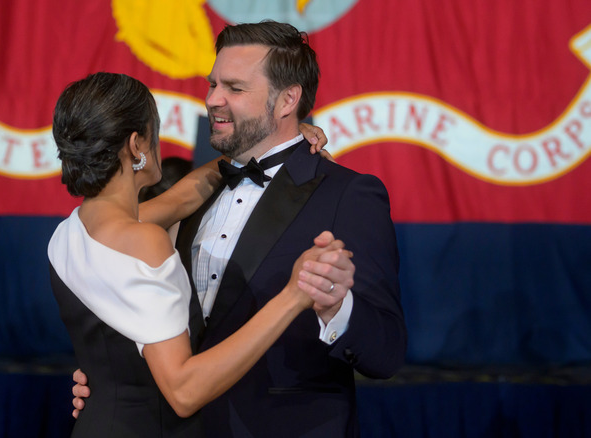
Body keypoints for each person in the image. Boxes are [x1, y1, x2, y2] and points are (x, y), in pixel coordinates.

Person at [72, 21, 407, 438]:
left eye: (234, 88)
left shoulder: (348, 194)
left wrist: (336, 308)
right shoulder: (198, 189)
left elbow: (387, 352)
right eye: (213, 84)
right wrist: (117, 376)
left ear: (287, 100)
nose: (213, 99)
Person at [48, 71, 354, 437]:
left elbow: (185, 195)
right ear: (135, 145)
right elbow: (183, 392)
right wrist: (293, 295)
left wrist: (277, 145)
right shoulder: (142, 240)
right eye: (154, 131)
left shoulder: (70, 232)